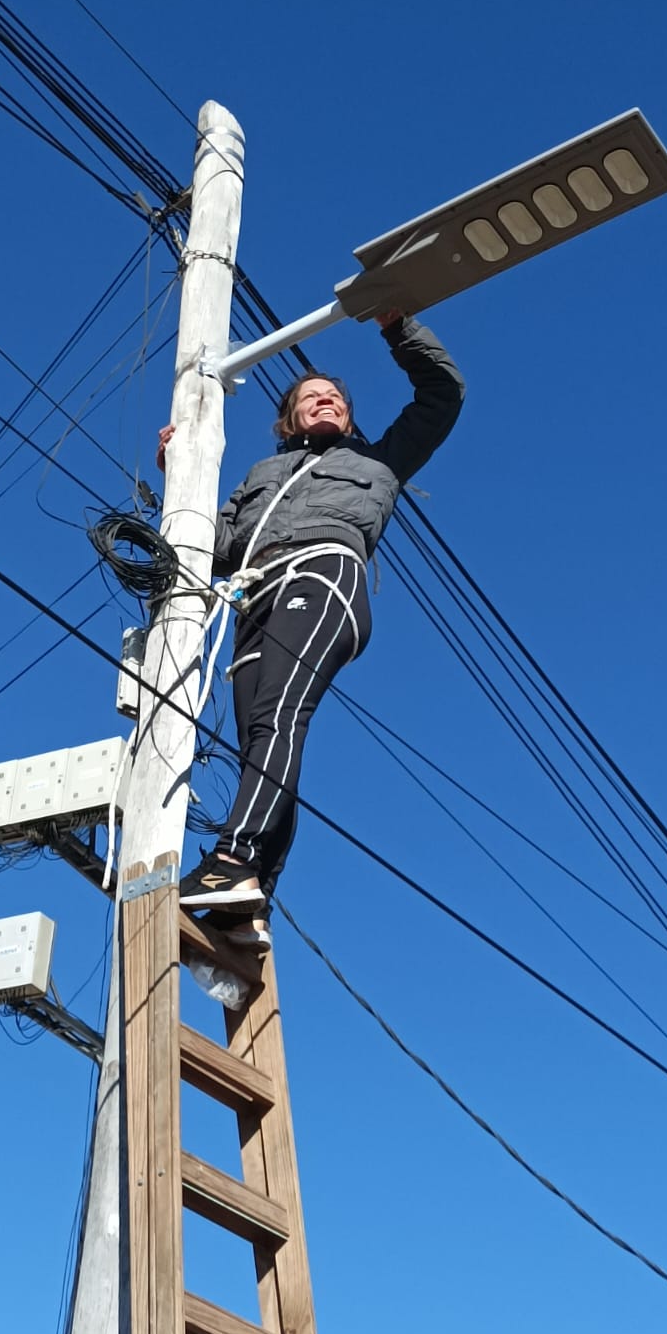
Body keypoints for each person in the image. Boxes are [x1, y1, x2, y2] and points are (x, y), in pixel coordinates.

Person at [166, 308, 466, 923]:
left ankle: (232, 857)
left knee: (278, 714)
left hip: (323, 575)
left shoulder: (379, 462)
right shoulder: (262, 475)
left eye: (335, 397)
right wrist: (179, 472)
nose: (326, 401)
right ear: (290, 418)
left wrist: (396, 326)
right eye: (311, 397)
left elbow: (443, 393)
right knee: (259, 738)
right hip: (255, 596)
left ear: (348, 416)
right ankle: (252, 897)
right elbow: (216, 548)